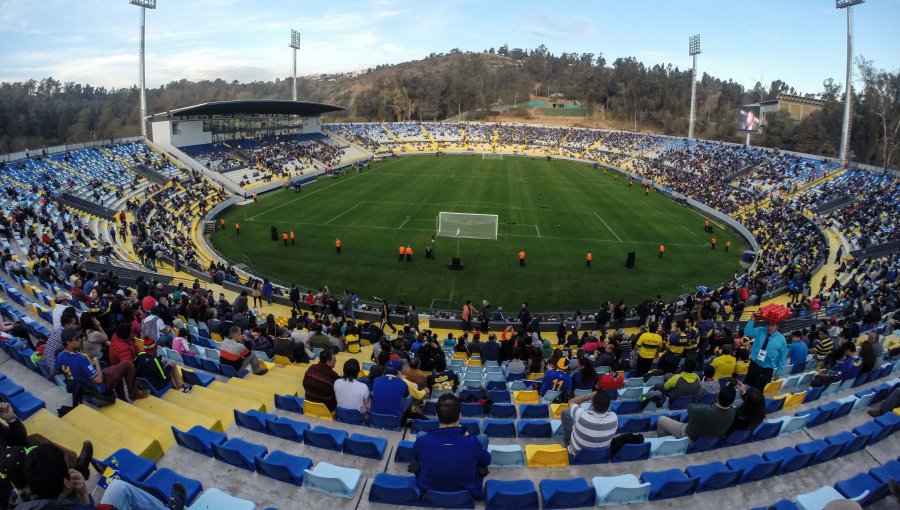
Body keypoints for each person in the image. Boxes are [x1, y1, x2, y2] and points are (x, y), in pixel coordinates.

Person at [412, 394, 491, 501]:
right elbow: (486, 461)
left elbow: (415, 457)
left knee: (421, 434)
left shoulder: (422, 440)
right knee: (482, 438)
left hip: (428, 492)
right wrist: (468, 436)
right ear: (460, 416)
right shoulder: (472, 442)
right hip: (466, 494)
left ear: (436, 415)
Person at [55, 328, 148, 401]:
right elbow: (99, 380)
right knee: (127, 364)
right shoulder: (80, 359)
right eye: (77, 339)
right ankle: (134, 394)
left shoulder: (60, 356)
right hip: (98, 388)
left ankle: (123, 399)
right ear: (69, 342)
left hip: (85, 385)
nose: (80, 340)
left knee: (115, 369)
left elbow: (53, 371)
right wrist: (96, 363)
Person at [656, 383, 737, 440]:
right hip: (710, 437)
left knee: (661, 419)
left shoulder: (705, 411)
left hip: (690, 436)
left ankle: (664, 441)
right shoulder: (733, 411)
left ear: (717, 396)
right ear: (732, 401)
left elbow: (690, 407)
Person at [560, 390, 617, 456]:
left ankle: (567, 443)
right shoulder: (614, 417)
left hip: (577, 456)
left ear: (592, 404)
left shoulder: (581, 415)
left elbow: (571, 402)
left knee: (566, 412)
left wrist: (588, 396)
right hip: (601, 455)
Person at [742, 314, 787, 391]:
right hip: (754, 365)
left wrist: (779, 371)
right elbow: (747, 332)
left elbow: (782, 357)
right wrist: (752, 320)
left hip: (766, 370)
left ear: (777, 326)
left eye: (772, 325)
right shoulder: (760, 330)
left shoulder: (782, 340)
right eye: (768, 325)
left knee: (757, 392)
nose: (770, 327)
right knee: (747, 387)